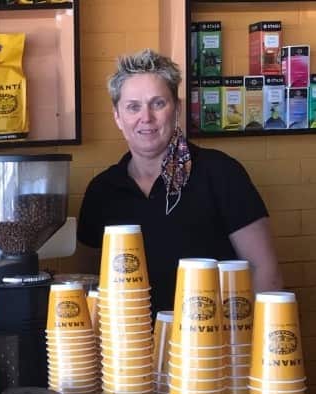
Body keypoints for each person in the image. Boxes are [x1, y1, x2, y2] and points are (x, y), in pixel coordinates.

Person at [76, 49, 282, 312]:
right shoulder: (102, 191)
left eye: (158, 103)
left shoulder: (220, 173)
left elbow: (264, 269)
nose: (146, 117)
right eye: (133, 107)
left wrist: (253, 344)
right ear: (117, 116)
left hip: (212, 345)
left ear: (177, 108)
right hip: (130, 346)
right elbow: (91, 284)